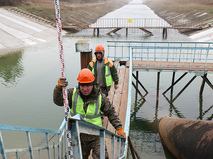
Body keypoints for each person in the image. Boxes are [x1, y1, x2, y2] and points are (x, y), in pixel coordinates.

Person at [53, 68, 126, 159]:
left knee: (102, 156)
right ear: (79, 84)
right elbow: (58, 101)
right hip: (78, 136)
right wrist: (59, 88)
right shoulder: (72, 94)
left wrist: (119, 128)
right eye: (82, 85)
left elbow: (110, 112)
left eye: (88, 85)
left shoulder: (100, 97)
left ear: (92, 84)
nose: (85, 89)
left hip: (96, 135)